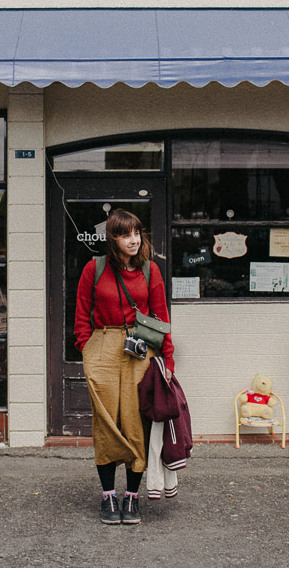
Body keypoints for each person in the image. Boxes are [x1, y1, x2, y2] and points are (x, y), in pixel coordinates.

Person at [73, 209, 175, 526]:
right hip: (102, 347)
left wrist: (168, 359)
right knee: (106, 422)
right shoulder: (95, 268)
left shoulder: (150, 271)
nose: (132, 240)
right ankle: (108, 496)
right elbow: (81, 315)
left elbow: (160, 318)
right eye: (124, 234)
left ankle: (131, 497)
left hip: (140, 351)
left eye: (136, 233)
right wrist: (86, 349)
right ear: (113, 238)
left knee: (136, 424)